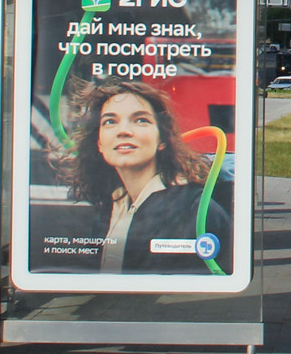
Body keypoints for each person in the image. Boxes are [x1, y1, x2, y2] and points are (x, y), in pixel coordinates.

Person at [36, 79, 227, 275]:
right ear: (99, 143)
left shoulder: (197, 211)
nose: (124, 131)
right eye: (110, 121)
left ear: (162, 139)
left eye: (141, 120)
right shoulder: (110, 207)